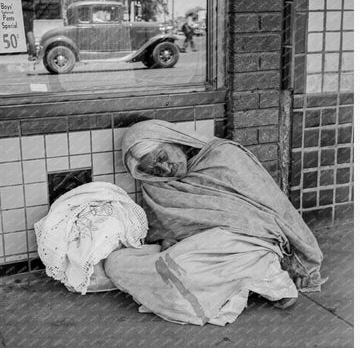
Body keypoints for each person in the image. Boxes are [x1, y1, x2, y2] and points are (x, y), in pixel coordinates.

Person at [104, 120, 327, 326]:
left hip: (249, 240)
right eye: (154, 170)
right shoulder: (157, 186)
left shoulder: (225, 155)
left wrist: (302, 257)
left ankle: (265, 275)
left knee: (184, 271)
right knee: (116, 263)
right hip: (199, 248)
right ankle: (248, 281)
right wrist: (168, 239)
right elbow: (166, 228)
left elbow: (275, 206)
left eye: (162, 157)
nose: (165, 169)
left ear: (174, 140)